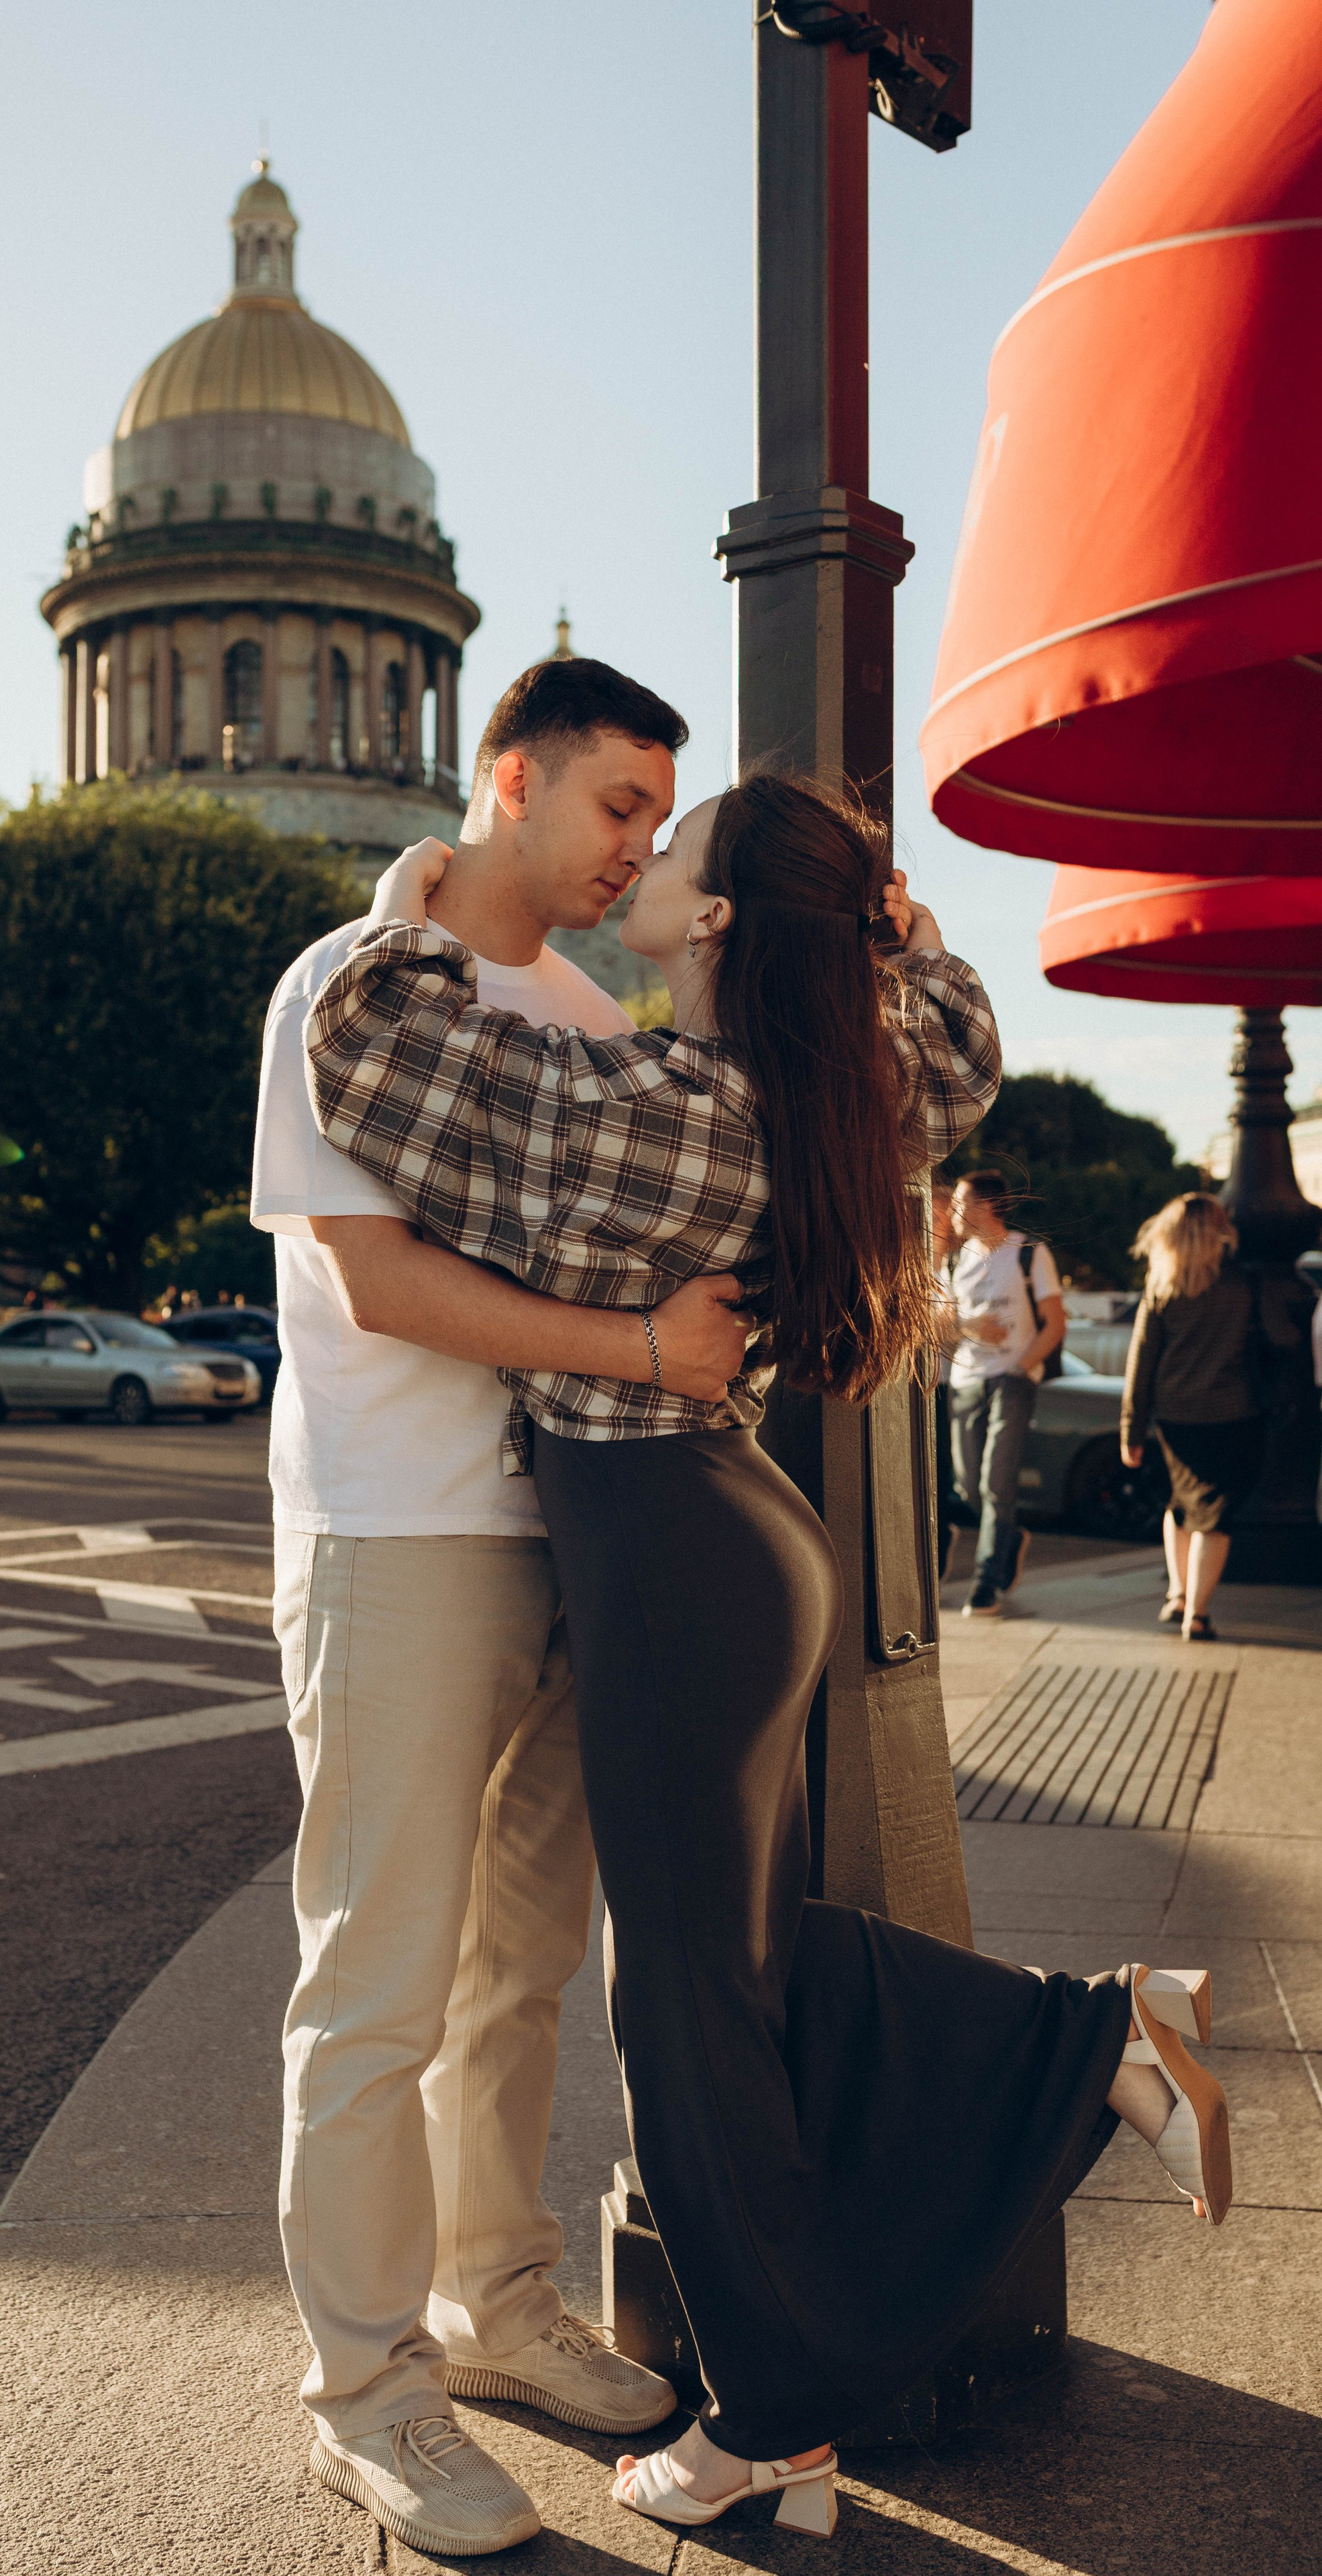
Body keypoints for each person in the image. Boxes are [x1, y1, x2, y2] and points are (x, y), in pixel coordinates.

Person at [305, 774, 1231, 2542]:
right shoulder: (849, 1087)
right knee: (745, 1962)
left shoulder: (658, 1105)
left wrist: (426, 883)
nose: (639, 865)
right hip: (725, 1541)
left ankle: (774, 2420)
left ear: (722, 922)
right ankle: (1106, 2035)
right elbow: (955, 1014)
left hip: (669, 1548)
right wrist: (890, 926)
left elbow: (369, 1036)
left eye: (678, 850)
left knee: (685, 2000)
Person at [251, 657, 753, 2559]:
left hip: (579, 1537)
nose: (639, 852)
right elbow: (379, 1283)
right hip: (398, 1534)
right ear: (511, 778)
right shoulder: (348, 983)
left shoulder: (578, 1002)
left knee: (520, 1971)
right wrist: (639, 1340)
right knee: (375, 1981)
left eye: (655, 820)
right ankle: (365, 2387)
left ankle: (489, 2302)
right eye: (619, 807)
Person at [1122, 1193, 1267, 1642]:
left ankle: (1179, 1594)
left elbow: (1140, 1361)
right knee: (1214, 1516)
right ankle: (1198, 1616)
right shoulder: (1244, 1283)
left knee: (1182, 1505)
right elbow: (1274, 1340)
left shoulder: (1162, 1287)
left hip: (1175, 1417)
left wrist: (1132, 1428)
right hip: (1232, 1413)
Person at [946, 1172, 1065, 1617]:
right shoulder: (955, 1262)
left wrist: (1021, 1365)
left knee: (998, 1483)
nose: (953, 1213)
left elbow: (1055, 1322)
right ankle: (1010, 1538)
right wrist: (966, 1327)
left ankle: (986, 1583)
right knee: (970, 1486)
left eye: (960, 1202)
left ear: (986, 1206)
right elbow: (939, 1324)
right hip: (966, 1380)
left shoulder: (1029, 1252)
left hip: (1013, 1379)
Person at [931, 1181, 965, 1575]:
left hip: (956, 1383)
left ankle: (937, 1551)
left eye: (946, 1213)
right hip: (921, 1384)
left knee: (949, 1476)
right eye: (934, 1212)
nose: (941, 1221)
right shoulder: (911, 1264)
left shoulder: (965, 1264)